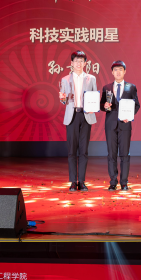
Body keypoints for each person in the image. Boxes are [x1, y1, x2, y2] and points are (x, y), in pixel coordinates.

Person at [59, 50, 98, 193]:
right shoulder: (65, 79)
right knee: (71, 151)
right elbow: (63, 100)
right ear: (72, 63)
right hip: (72, 115)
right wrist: (63, 99)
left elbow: (94, 96)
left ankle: (81, 181)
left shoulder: (91, 78)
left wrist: (94, 106)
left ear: (85, 63)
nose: (79, 63)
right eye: (76, 61)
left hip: (86, 115)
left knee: (84, 150)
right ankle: (72, 182)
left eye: (81, 61)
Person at [99, 61, 140, 191]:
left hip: (125, 124)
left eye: (120, 69)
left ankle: (124, 182)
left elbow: (137, 105)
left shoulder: (131, 87)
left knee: (124, 154)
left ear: (124, 71)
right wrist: (105, 106)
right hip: (110, 125)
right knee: (111, 154)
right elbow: (101, 105)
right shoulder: (106, 87)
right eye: (115, 70)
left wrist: (130, 115)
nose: (118, 72)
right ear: (112, 72)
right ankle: (113, 182)